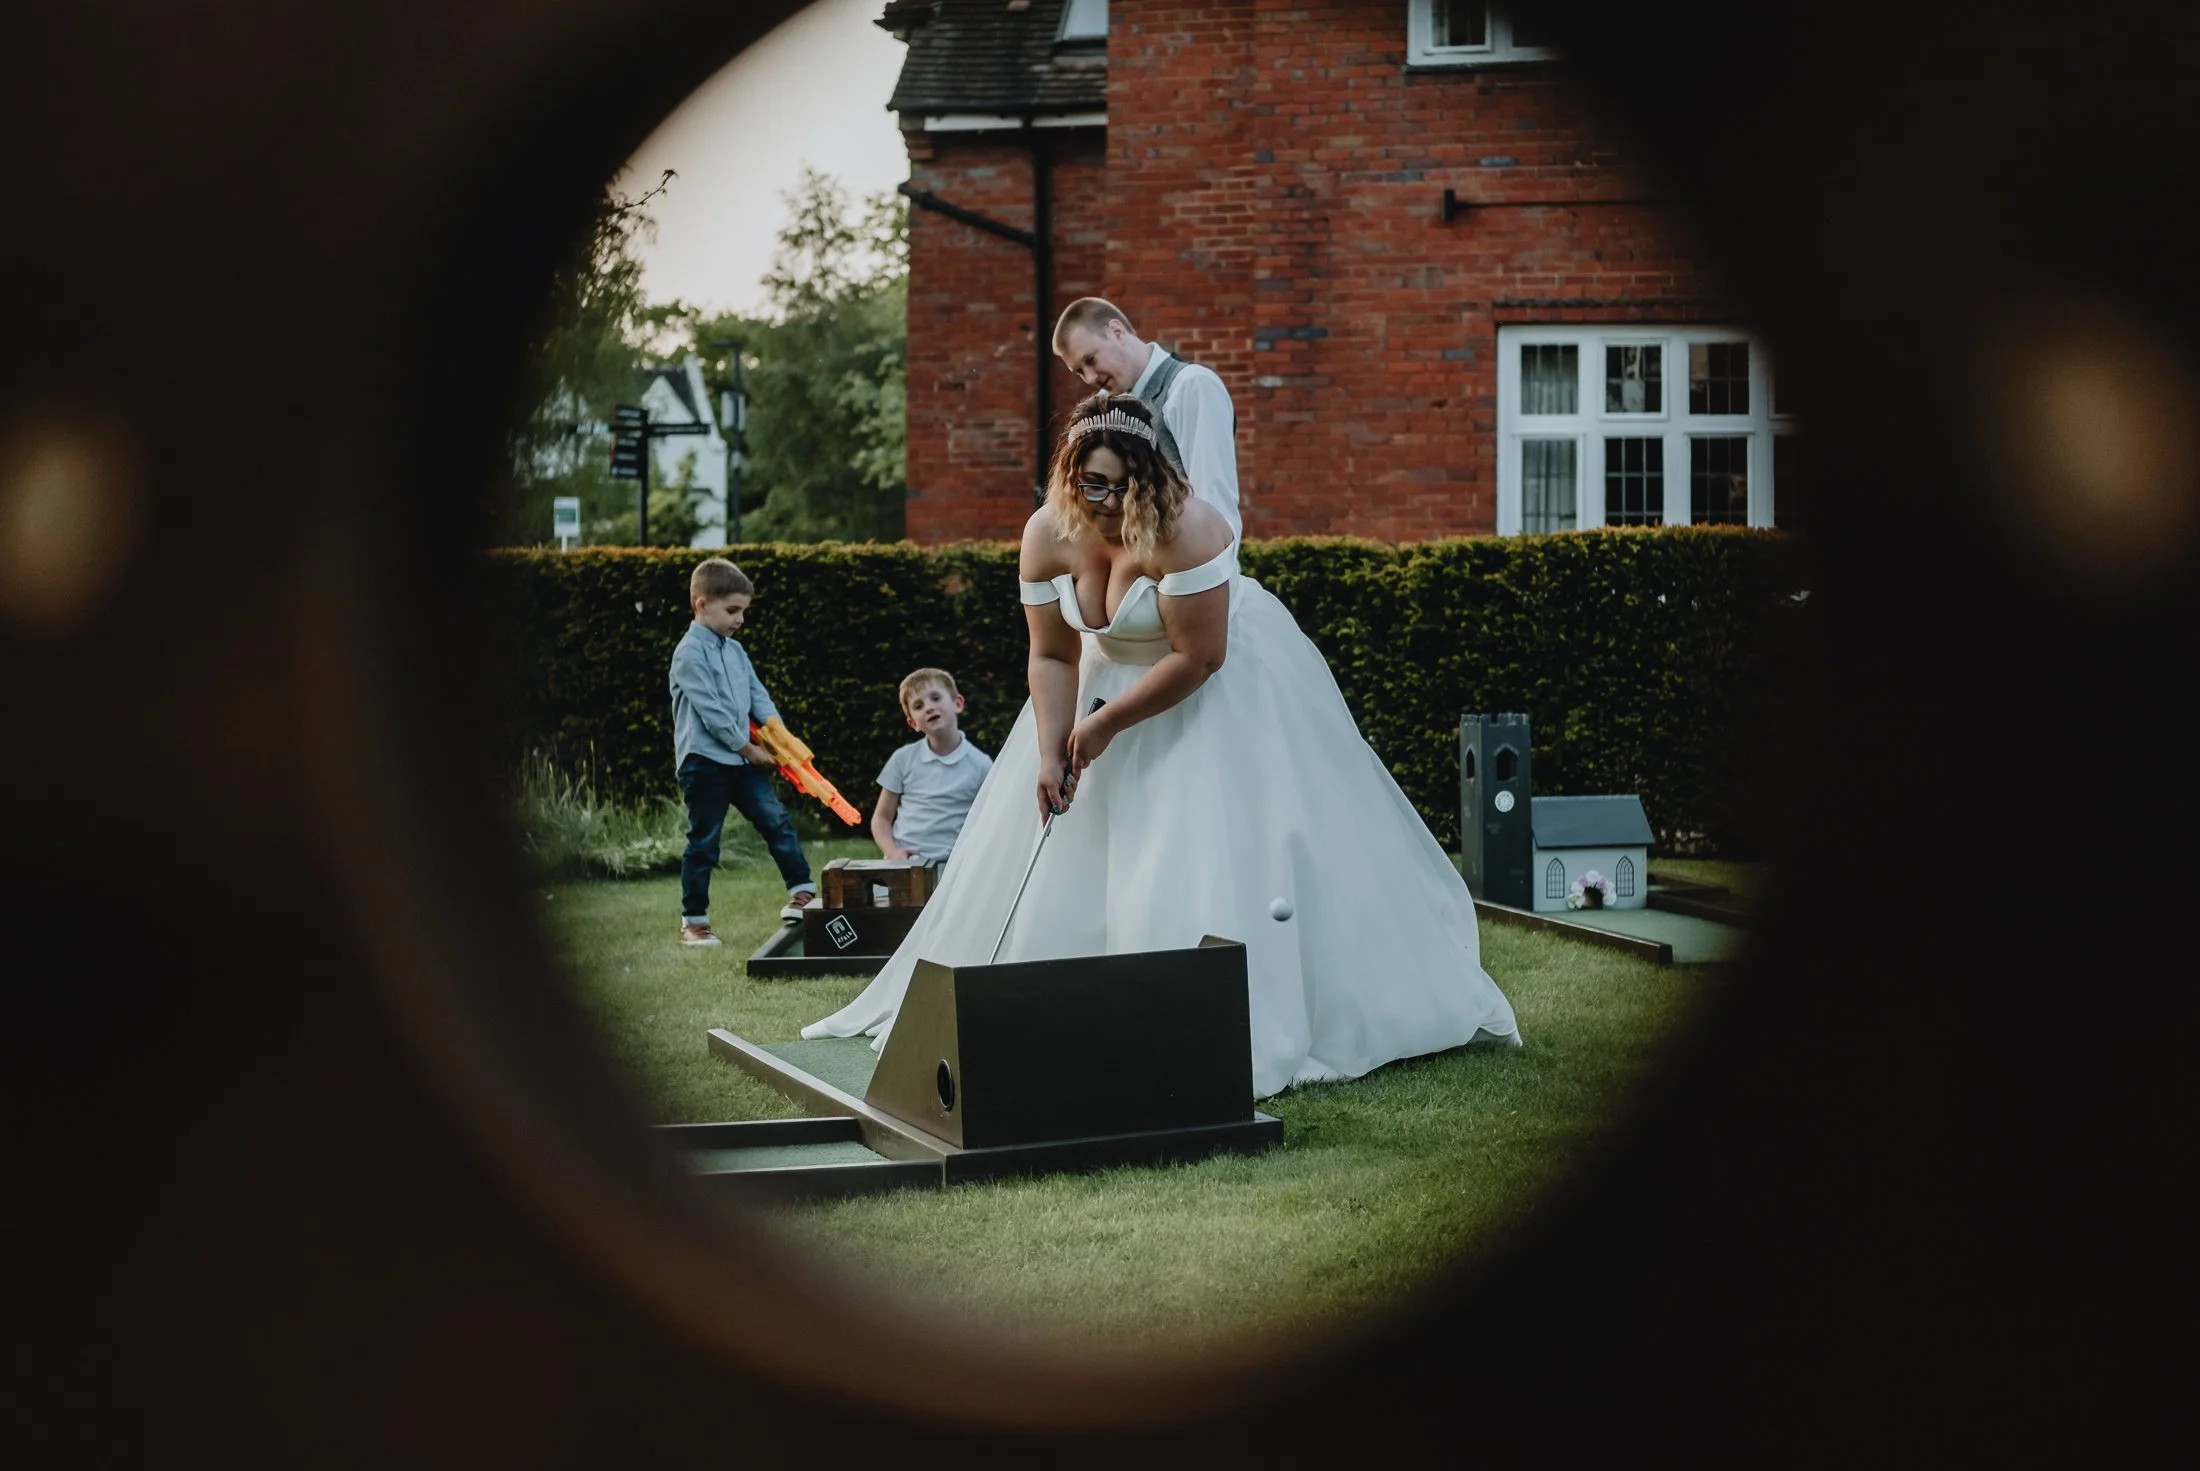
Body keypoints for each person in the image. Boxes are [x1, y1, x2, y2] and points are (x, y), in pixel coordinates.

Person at [804, 396, 1519, 1096]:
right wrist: (1054, 748)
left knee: (1191, 857)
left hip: (1212, 696)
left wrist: (1106, 723)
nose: (1109, 500)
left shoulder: (1189, 529)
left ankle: (1200, 1024)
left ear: (1153, 472)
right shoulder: (1047, 532)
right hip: (1095, 680)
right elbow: (1053, 655)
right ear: (1070, 473)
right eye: (1094, 484)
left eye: (1124, 484)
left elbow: (1201, 656)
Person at [669, 557, 818, 948]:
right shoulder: (688, 654)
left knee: (776, 820)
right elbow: (712, 712)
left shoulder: (735, 652)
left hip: (743, 759)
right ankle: (694, 923)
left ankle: (803, 892)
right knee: (704, 841)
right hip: (704, 762)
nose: (740, 620)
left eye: (743, 611)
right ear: (702, 604)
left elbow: (758, 696)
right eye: (732, 610)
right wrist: (748, 748)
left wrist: (779, 738)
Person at [1052, 298, 1241, 540]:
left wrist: (1212, 575)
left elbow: (1215, 506)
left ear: (1116, 331)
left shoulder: (1192, 386)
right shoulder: (1100, 408)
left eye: (1090, 359)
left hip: (1186, 568)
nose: (1089, 377)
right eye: (1079, 371)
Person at [871, 667, 994, 867]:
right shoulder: (902, 759)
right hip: (904, 865)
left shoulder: (981, 765)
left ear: (958, 703)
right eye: (918, 705)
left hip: (955, 867)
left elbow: (988, 822)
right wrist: (892, 852)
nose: (929, 707)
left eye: (936, 698)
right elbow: (881, 818)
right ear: (913, 723)